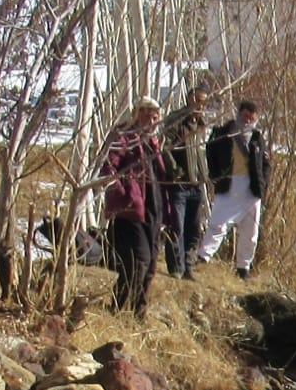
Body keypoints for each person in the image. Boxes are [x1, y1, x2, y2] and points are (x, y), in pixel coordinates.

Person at [96, 97, 166, 315]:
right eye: (146, 115)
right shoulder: (125, 137)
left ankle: (138, 312)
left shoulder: (153, 142)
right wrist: (123, 194)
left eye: (155, 117)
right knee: (138, 261)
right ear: (137, 114)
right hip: (131, 211)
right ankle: (117, 309)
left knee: (151, 265)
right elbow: (108, 168)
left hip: (153, 210)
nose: (151, 121)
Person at [198, 98, 270, 277]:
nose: (247, 121)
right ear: (239, 114)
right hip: (229, 183)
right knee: (218, 223)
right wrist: (216, 176)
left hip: (252, 188)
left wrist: (263, 183)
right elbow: (210, 155)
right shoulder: (222, 133)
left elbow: (266, 164)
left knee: (250, 231)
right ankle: (203, 257)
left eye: (251, 118)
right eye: (245, 116)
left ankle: (243, 267)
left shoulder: (257, 138)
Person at [159, 83, 215, 278]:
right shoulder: (177, 121)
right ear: (189, 100)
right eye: (197, 101)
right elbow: (164, 147)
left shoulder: (201, 125)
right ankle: (176, 267)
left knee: (194, 228)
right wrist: (175, 170)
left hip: (197, 184)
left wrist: (205, 176)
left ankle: (189, 266)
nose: (200, 106)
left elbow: (202, 154)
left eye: (204, 103)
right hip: (179, 184)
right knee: (177, 226)